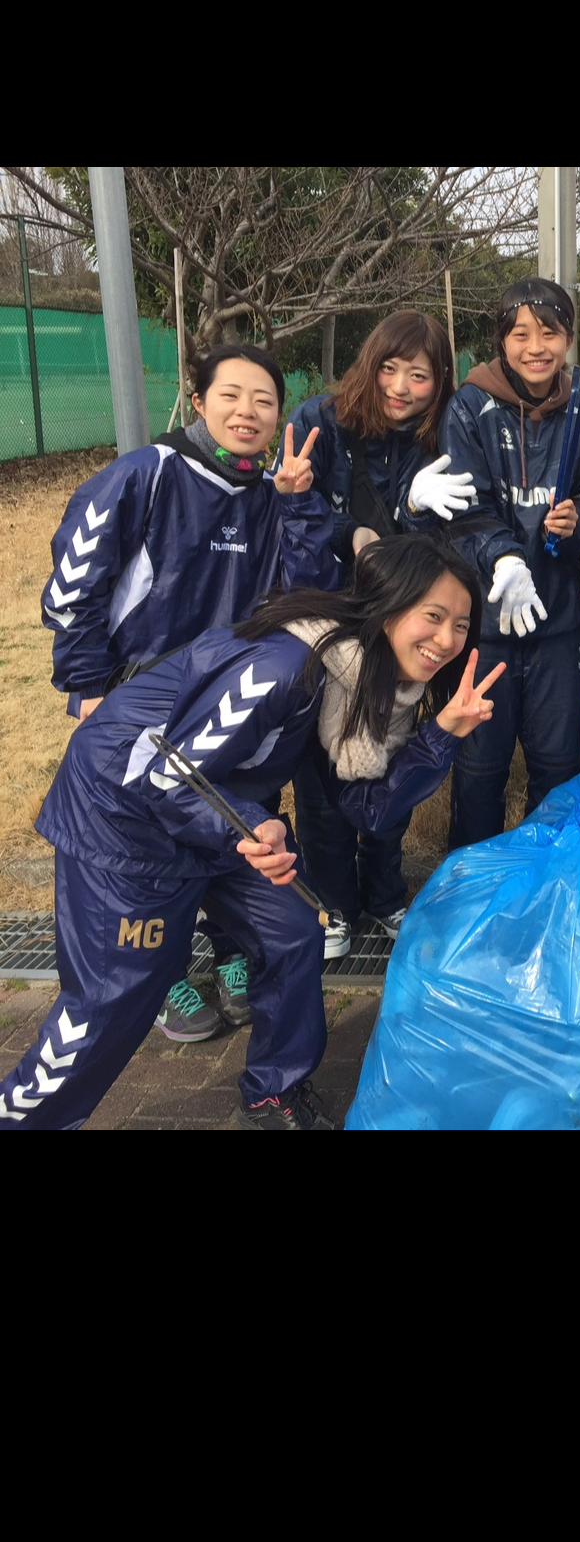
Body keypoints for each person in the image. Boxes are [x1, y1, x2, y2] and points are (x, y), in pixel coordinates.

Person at [2, 543, 503, 1133]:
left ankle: (272, 1093)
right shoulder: (284, 667)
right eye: (434, 616)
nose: (447, 639)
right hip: (124, 817)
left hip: (222, 815)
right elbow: (167, 775)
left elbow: (365, 807)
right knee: (113, 1000)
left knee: (293, 931)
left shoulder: (357, 683)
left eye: (461, 625)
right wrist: (244, 825)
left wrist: (442, 733)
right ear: (387, 607)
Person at [40, 341, 338, 1044]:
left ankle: (230, 955)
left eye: (264, 401)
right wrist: (87, 686)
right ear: (199, 401)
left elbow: (307, 597)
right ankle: (165, 973)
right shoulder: (146, 473)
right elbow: (73, 584)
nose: (247, 412)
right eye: (231, 395)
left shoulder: (272, 496)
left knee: (236, 828)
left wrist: (298, 505)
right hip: (139, 705)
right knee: (147, 844)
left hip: (239, 705)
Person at [279, 310, 476, 957]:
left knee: (389, 758)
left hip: (400, 633)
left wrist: (408, 513)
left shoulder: (438, 437)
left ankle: (385, 892)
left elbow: (440, 540)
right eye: (389, 368)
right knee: (322, 776)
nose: (400, 387)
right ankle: (333, 902)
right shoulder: (319, 421)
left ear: (439, 380)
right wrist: (354, 532)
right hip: (330, 627)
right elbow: (298, 519)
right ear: (369, 364)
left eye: (419, 375)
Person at [440, 279, 580, 845]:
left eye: (550, 333)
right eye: (521, 334)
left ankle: (547, 877)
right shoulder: (469, 408)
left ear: (568, 339)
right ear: (502, 341)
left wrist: (577, 523)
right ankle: (475, 878)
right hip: (486, 625)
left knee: (557, 769)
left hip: (557, 624)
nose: (536, 347)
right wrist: (505, 558)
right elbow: (466, 507)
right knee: (480, 767)